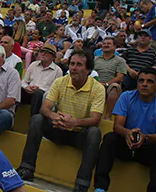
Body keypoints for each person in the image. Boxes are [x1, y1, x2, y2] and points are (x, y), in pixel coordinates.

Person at [16, 50, 105, 192]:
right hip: (58, 127)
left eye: (79, 65)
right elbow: (45, 108)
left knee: (94, 132)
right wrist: (56, 117)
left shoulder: (98, 89)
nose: (74, 68)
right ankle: (27, 168)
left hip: (78, 134)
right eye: (72, 64)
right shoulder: (60, 82)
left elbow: (95, 119)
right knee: (37, 119)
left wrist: (74, 122)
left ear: (88, 70)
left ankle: (82, 183)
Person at [93, 68, 156, 192]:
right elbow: (117, 126)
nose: (144, 84)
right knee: (110, 138)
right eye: (141, 80)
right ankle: (100, 187)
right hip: (127, 143)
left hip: (147, 147)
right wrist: (127, 133)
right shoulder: (126, 96)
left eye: (150, 81)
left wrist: (144, 137)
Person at [21, 44, 62, 116]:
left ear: (53, 57)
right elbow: (24, 81)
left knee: (38, 93)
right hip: (29, 92)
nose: (43, 54)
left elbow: (56, 90)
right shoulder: (33, 65)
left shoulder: (57, 71)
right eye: (42, 51)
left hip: (43, 96)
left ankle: (34, 118)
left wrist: (40, 89)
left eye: (47, 52)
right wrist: (26, 87)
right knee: (17, 89)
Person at [94, 37, 127, 120]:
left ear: (115, 47)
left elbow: (120, 77)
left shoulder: (120, 60)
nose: (105, 45)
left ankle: (107, 116)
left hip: (110, 86)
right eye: (104, 43)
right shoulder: (95, 59)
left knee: (115, 87)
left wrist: (106, 84)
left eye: (108, 44)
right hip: (95, 84)